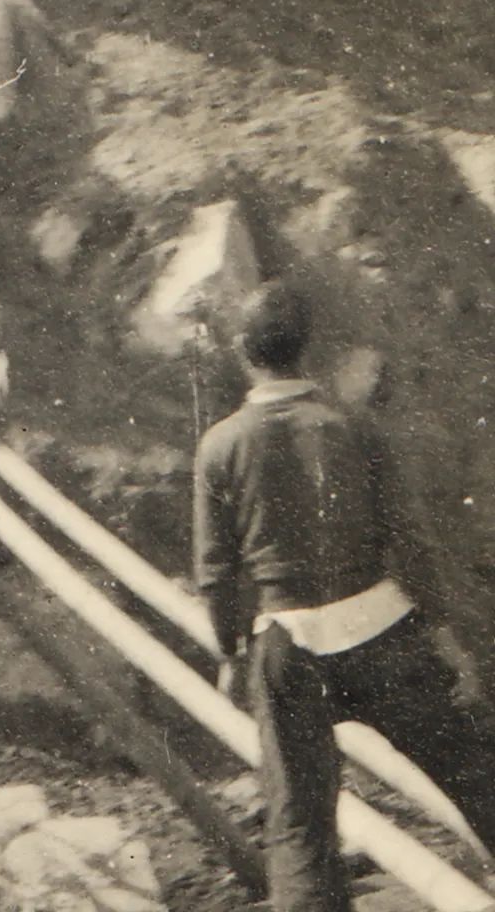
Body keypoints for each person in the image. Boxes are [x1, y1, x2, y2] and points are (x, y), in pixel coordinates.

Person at [194, 279, 495, 912]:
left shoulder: (221, 445)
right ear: (306, 348)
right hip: (385, 636)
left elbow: (216, 571)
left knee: (300, 826)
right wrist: (445, 638)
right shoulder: (355, 428)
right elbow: (409, 543)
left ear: (242, 350)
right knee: (476, 776)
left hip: (290, 650)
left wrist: (231, 654)